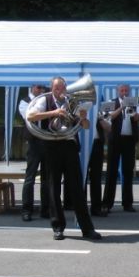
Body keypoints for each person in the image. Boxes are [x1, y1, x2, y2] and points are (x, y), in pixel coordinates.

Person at [26, 76, 102, 241]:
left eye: (62, 88)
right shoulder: (44, 100)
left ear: (66, 88)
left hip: (69, 146)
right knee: (53, 189)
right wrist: (54, 112)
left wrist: (83, 118)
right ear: (51, 89)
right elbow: (31, 116)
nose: (60, 92)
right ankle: (58, 227)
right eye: (56, 89)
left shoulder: (71, 101)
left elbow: (86, 126)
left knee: (77, 189)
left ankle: (87, 228)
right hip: (51, 147)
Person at [102, 84, 139, 213]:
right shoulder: (110, 102)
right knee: (111, 171)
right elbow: (106, 117)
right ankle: (107, 203)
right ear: (118, 91)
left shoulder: (135, 103)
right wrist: (122, 107)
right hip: (115, 140)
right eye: (122, 90)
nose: (124, 92)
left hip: (129, 140)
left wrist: (135, 115)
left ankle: (128, 203)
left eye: (126, 90)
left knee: (128, 172)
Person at [19, 84, 49, 221]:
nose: (41, 91)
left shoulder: (46, 101)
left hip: (46, 141)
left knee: (46, 178)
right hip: (33, 142)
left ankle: (46, 209)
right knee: (30, 177)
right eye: (38, 87)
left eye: (43, 88)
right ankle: (26, 210)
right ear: (32, 88)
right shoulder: (25, 101)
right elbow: (30, 117)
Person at [87, 113, 111, 217]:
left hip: (97, 143)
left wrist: (99, 119)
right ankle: (80, 207)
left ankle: (96, 207)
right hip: (83, 143)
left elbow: (109, 128)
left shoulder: (99, 111)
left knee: (96, 177)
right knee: (81, 176)